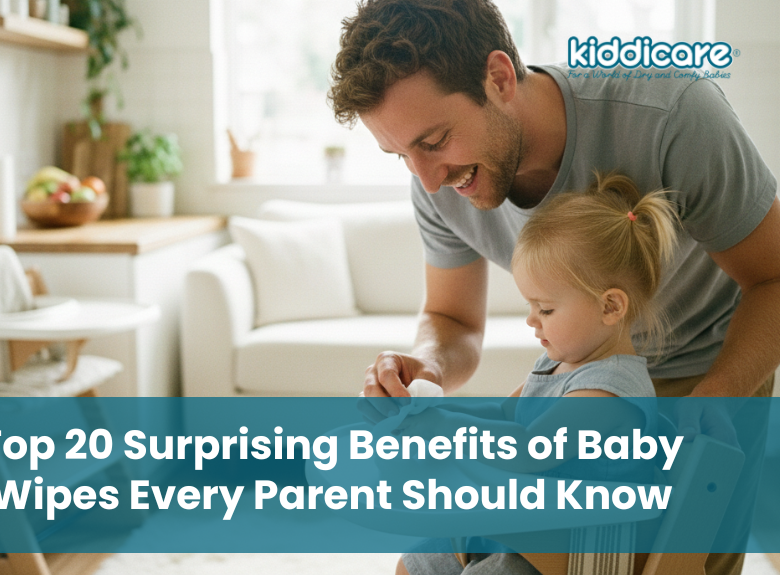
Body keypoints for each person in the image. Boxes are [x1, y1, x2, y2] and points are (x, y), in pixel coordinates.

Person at [327, 1, 780, 574]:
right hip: (573, 377)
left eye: (435, 140)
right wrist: (427, 370)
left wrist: (719, 396)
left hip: (709, 371)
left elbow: (775, 276)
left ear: (498, 78)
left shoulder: (671, 115)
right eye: (400, 156)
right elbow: (454, 322)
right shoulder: (434, 183)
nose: (427, 179)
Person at [398, 172, 677, 575]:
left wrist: (444, 431)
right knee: (417, 562)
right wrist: (436, 416)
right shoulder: (556, 363)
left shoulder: (609, 394)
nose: (532, 320)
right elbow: (501, 417)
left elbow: (528, 451)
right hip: (521, 526)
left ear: (610, 307)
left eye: (545, 309)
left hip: (568, 552)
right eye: (530, 306)